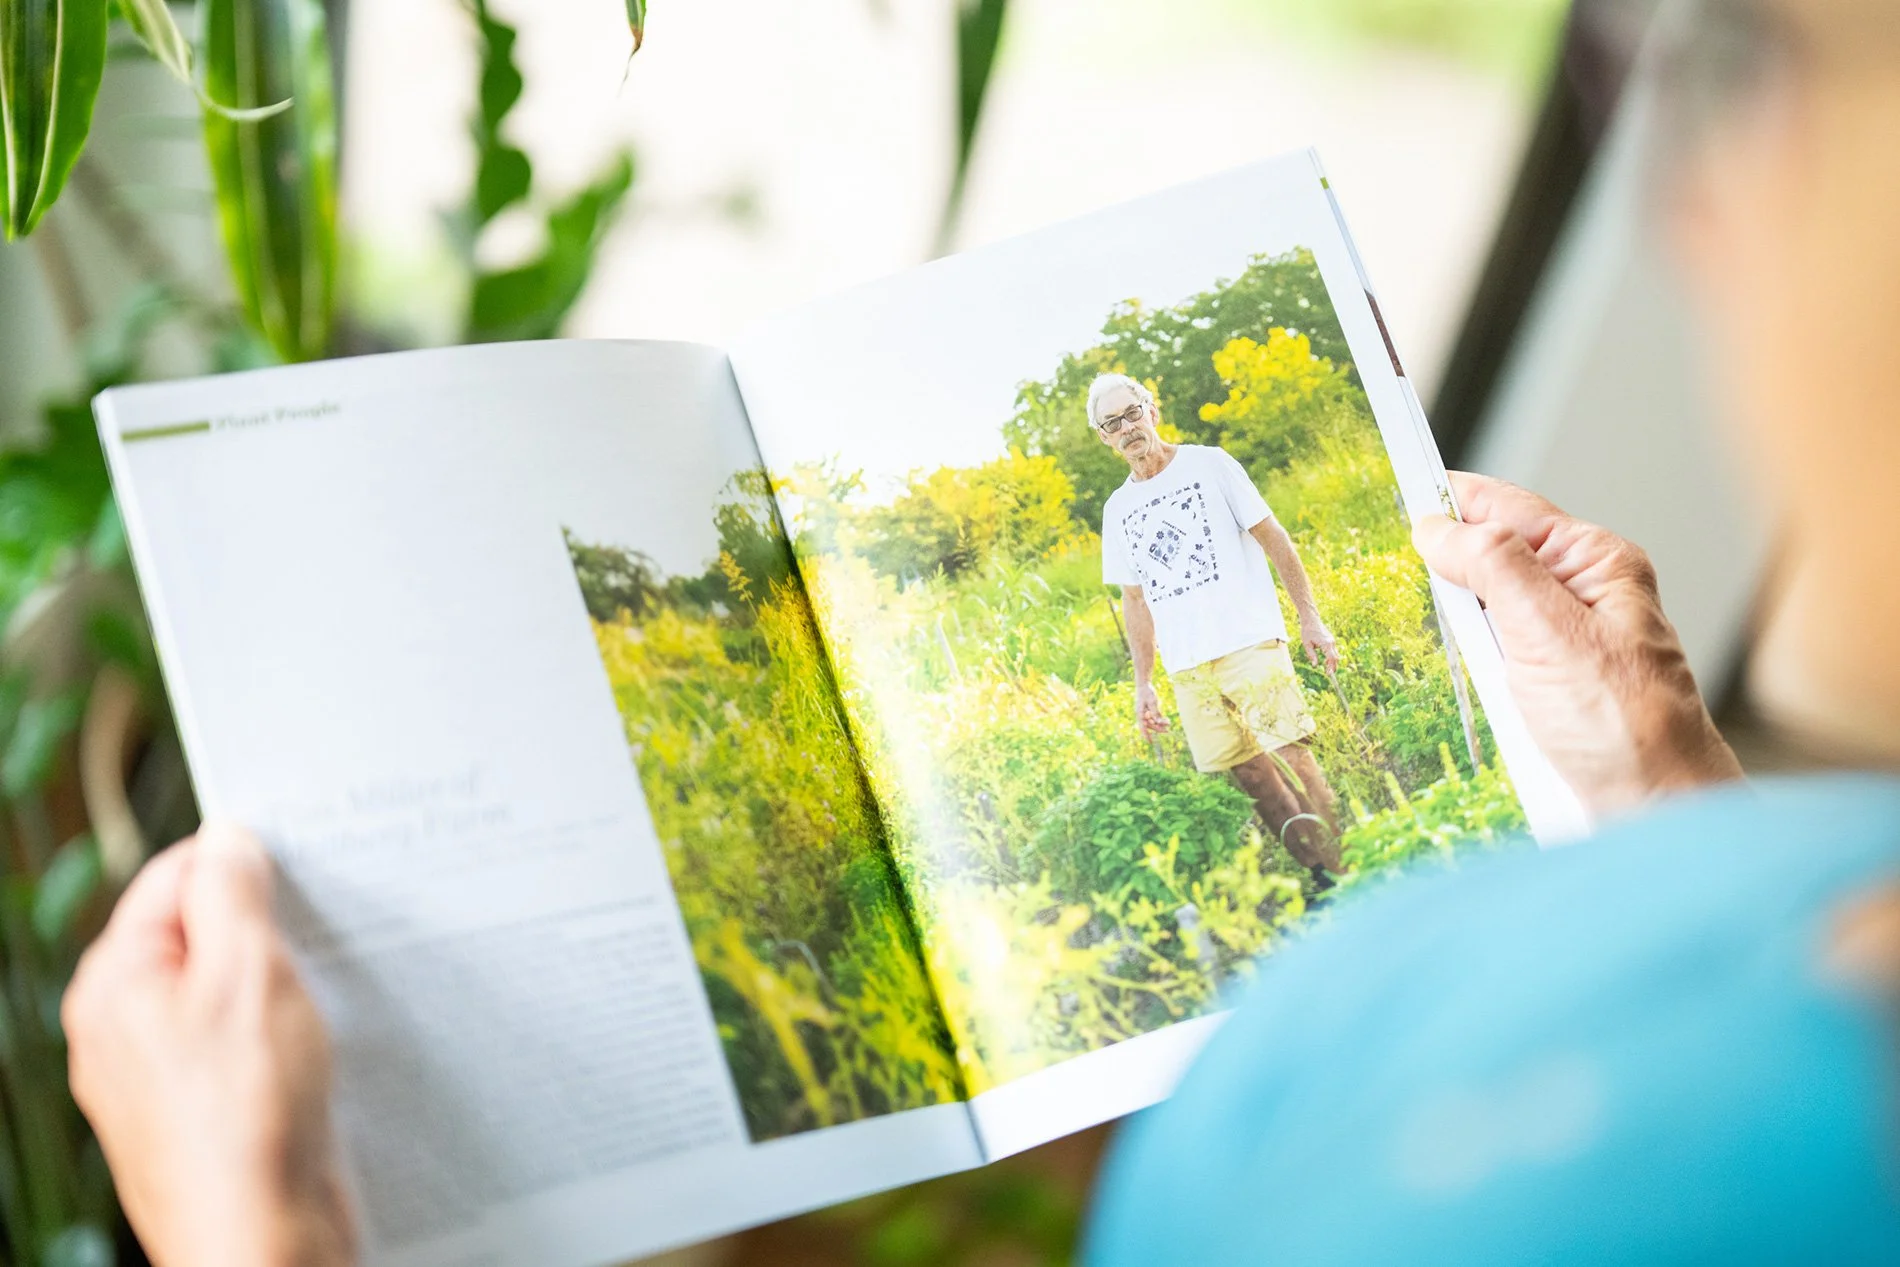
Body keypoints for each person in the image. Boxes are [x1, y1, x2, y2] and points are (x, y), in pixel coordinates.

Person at [61, 0, 1900, 1262]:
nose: (1699, 185)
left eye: (1746, 62)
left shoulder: (1543, 1179)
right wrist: (1671, 805)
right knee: (1260, 786)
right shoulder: (1792, 917)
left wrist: (260, 1239)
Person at [1091, 371, 1345, 880]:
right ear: (1104, 437)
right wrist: (1144, 684)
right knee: (1249, 773)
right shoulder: (1117, 510)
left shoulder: (1210, 466)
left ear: (1152, 410)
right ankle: (1319, 873)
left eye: (1132, 413)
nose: (1127, 428)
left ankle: (1350, 865)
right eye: (1113, 423)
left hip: (1249, 639)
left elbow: (1274, 538)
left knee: (1293, 754)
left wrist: (1309, 618)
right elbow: (1135, 600)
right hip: (1190, 668)